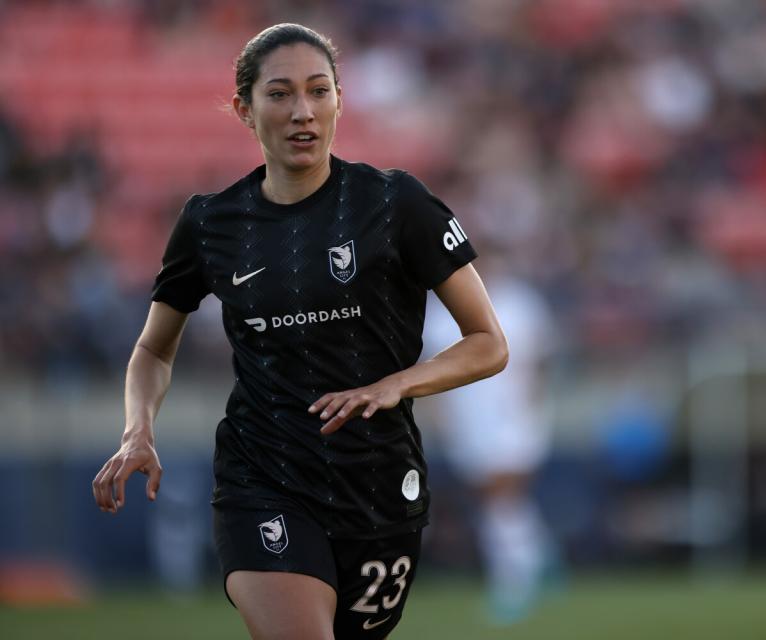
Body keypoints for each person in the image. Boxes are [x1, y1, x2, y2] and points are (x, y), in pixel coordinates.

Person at [91, 23, 508, 640]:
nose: (302, 112)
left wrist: (399, 384)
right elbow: (154, 346)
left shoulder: (395, 204)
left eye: (318, 91)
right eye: (280, 94)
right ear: (244, 109)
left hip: (378, 485)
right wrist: (137, 430)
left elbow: (489, 344)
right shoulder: (211, 223)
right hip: (263, 477)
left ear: (340, 99)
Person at [423, 247, 559, 624]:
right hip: (469, 422)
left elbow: (542, 358)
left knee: (502, 496)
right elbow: (432, 368)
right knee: (498, 499)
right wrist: (443, 417)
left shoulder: (520, 301)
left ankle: (514, 581)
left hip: (513, 416)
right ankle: (541, 561)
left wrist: (532, 403)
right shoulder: (440, 311)